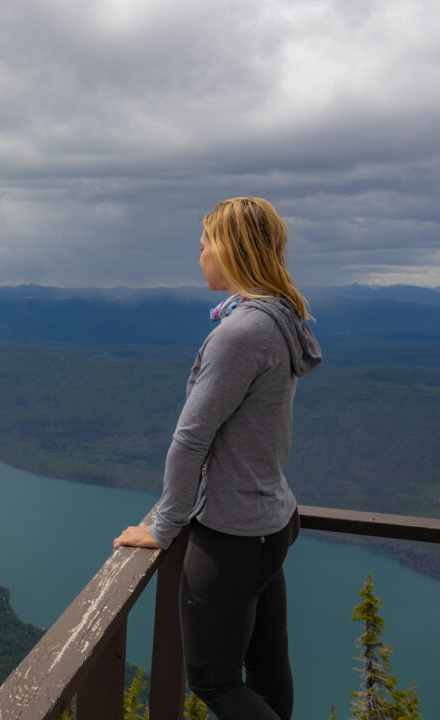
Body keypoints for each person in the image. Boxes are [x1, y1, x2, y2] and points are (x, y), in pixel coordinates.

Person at [112, 196, 321, 720]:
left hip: (232, 535)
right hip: (272, 521)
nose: (199, 255)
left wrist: (164, 525)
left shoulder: (242, 332)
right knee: (268, 667)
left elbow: (190, 439)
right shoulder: (280, 319)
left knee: (213, 680)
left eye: (204, 245)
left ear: (227, 249)